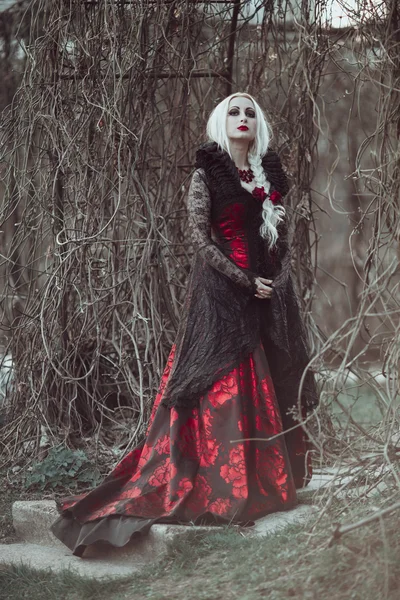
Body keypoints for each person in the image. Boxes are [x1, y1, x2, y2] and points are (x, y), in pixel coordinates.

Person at [51, 92, 319, 557]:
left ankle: (265, 481)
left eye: (250, 112)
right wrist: (244, 280)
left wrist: (276, 282)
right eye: (233, 112)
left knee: (275, 375)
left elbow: (289, 242)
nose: (242, 118)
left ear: (259, 125)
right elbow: (200, 240)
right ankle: (219, 488)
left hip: (269, 298)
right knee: (222, 383)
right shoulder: (206, 175)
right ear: (221, 122)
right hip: (219, 296)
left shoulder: (270, 177)